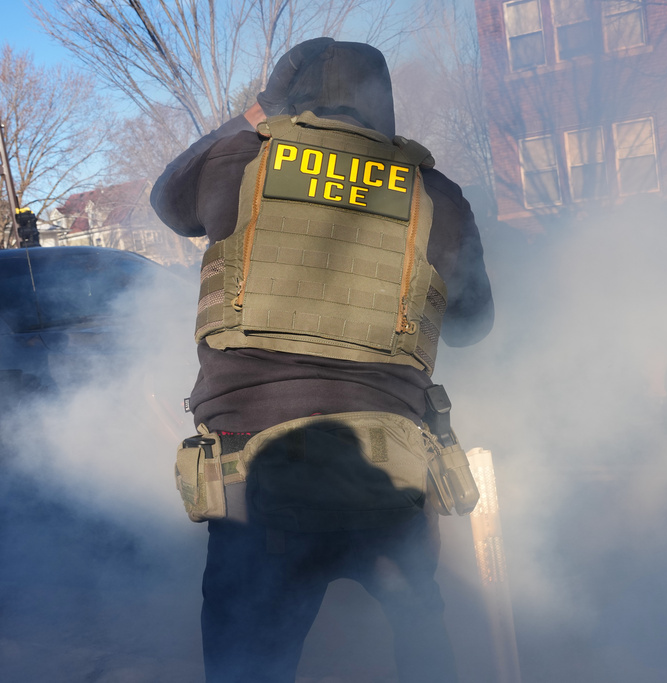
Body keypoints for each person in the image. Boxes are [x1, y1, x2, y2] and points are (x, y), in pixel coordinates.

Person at [151, 40, 493, 683]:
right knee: (424, 650)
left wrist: (254, 113)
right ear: (383, 103)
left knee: (248, 666)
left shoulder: (236, 161)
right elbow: (475, 325)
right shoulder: (434, 193)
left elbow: (167, 200)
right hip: (389, 475)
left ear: (285, 98)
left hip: (252, 477)